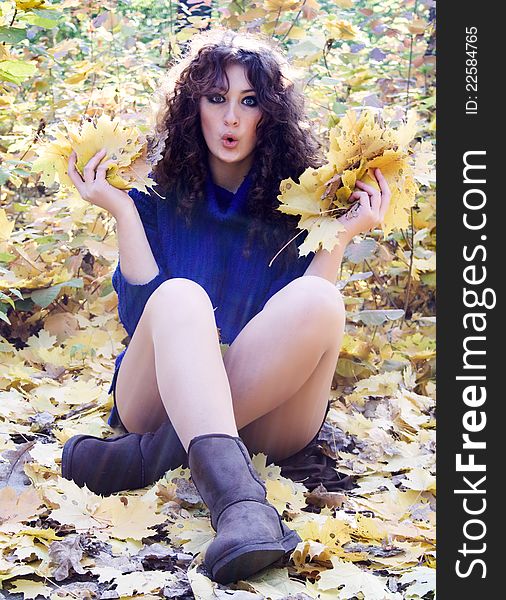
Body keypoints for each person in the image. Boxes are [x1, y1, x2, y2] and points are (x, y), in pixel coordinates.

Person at [61, 28, 390, 584]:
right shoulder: (154, 197)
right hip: (157, 398)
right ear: (194, 107)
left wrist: (339, 233)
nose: (231, 119)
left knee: (318, 296)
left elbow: (305, 331)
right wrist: (122, 212)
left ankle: (151, 458)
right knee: (181, 296)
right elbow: (143, 318)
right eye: (216, 99)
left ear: (272, 114)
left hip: (265, 417)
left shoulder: (299, 207)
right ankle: (241, 506)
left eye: (249, 101)